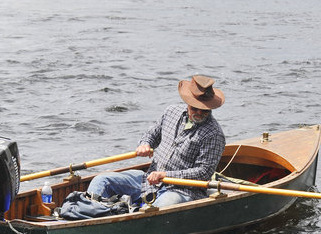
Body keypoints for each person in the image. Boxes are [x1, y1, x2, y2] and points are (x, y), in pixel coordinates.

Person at [87, 75, 226, 208]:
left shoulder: (214, 134)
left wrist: (165, 175)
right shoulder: (171, 112)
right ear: (187, 103)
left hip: (183, 191)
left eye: (204, 110)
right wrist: (145, 144)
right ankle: (88, 212)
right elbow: (152, 134)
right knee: (101, 181)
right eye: (194, 108)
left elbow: (203, 173)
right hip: (148, 181)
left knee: (160, 207)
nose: (199, 113)